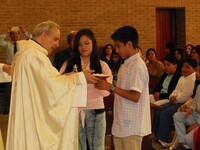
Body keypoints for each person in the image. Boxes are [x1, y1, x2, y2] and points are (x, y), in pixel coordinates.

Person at [6, 21, 98, 150]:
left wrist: (67, 77)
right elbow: (52, 88)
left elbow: (44, 84)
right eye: (55, 39)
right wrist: (80, 77)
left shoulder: (23, 53)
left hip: (27, 114)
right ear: (44, 35)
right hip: (32, 118)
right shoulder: (35, 57)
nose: (57, 44)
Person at [94, 26, 151, 150]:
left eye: (118, 46)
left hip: (132, 125)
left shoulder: (137, 65)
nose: (116, 50)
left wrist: (111, 87)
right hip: (122, 122)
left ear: (129, 44)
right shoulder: (126, 63)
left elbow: (135, 96)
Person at [60, 28, 112, 150]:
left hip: (96, 110)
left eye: (87, 43)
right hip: (74, 110)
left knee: (97, 147)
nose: (83, 47)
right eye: (79, 44)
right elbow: (59, 83)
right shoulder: (69, 64)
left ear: (93, 44)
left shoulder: (102, 65)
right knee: (76, 146)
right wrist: (75, 76)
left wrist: (100, 84)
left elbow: (106, 92)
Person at [153, 58, 197, 143]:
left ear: (194, 69)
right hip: (174, 101)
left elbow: (187, 95)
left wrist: (175, 99)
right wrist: (172, 96)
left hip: (183, 103)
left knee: (165, 114)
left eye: (187, 67)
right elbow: (175, 91)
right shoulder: (181, 78)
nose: (184, 69)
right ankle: (157, 135)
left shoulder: (193, 79)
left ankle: (163, 138)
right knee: (158, 109)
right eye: (183, 67)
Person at [0, 26, 32, 114]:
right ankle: (8, 109)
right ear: (10, 36)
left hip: (21, 67)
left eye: (16, 34)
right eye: (12, 34)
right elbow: (0, 41)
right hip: (10, 68)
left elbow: (32, 40)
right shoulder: (7, 45)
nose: (15, 36)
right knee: (9, 89)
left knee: (21, 87)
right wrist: (6, 33)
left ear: (19, 35)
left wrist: (24, 32)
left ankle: (21, 108)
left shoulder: (23, 44)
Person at [173, 64, 200, 150]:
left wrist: (197, 124)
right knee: (177, 116)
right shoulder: (199, 86)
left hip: (199, 120)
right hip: (196, 116)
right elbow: (195, 101)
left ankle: (187, 144)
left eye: (199, 72)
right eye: (197, 71)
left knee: (188, 138)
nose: (196, 73)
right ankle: (183, 144)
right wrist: (190, 109)